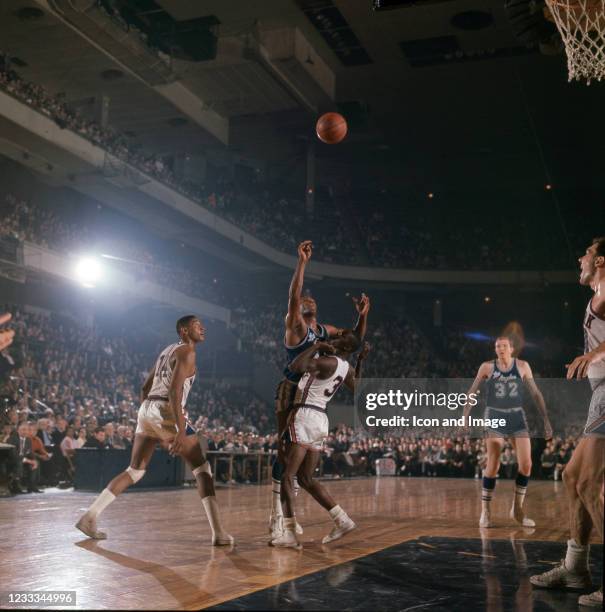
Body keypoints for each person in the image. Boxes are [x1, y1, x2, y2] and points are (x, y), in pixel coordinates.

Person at [75, 315, 233, 546]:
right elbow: (175, 393)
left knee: (135, 470)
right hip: (166, 408)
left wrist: (149, 421)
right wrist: (178, 430)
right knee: (202, 468)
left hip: (148, 407)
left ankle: (89, 517)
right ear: (184, 331)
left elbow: (144, 386)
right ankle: (219, 533)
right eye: (197, 325)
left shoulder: (166, 351)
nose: (203, 328)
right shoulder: (187, 352)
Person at [269, 240, 370, 540]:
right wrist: (301, 263)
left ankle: (285, 520)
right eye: (305, 301)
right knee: (282, 455)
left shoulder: (321, 332)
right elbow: (293, 294)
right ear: (298, 308)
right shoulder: (295, 325)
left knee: (292, 467)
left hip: (307, 396)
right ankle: (278, 517)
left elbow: (352, 340)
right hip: (290, 391)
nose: (310, 301)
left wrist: (362, 317)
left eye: (313, 302)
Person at [530, 237, 605, 608]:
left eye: (587, 253)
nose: (580, 258)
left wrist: (594, 351)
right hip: (601, 394)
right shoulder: (597, 295)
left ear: (601, 259)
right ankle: (575, 567)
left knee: (589, 482)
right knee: (573, 477)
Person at [271, 335, 370, 549]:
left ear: (343, 346)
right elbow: (358, 388)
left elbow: (295, 366)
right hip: (321, 419)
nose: (333, 340)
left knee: (288, 475)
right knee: (305, 478)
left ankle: (289, 533)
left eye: (338, 338)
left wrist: (316, 345)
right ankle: (342, 519)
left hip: (305, 414)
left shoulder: (327, 362)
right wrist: (360, 360)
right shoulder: (345, 368)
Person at [464, 336, 552, 528]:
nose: (500, 348)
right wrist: (465, 416)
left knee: (526, 465)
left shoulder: (522, 366)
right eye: (497, 346)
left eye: (504, 346)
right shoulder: (486, 367)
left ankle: (517, 510)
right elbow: (472, 391)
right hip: (494, 414)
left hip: (516, 416)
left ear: (512, 348)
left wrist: (545, 420)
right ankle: (485, 512)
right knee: (493, 464)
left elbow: (536, 393)